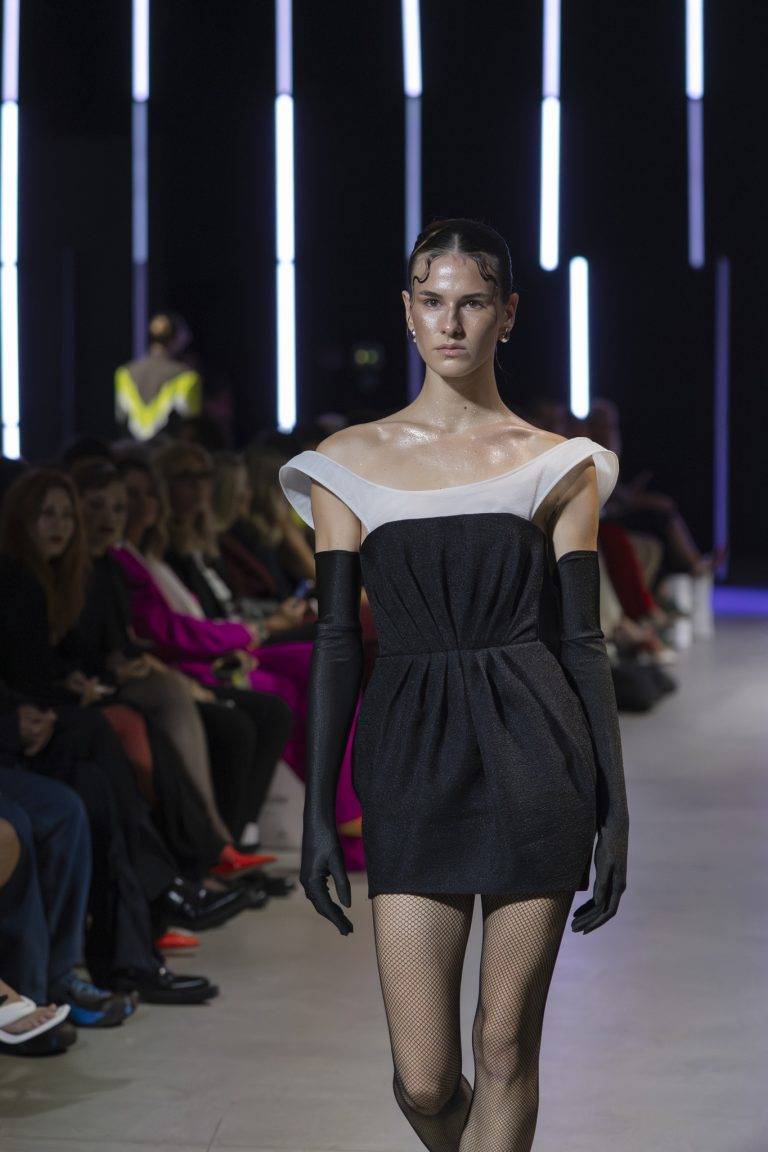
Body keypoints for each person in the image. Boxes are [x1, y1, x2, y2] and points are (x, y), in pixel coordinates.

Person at [278, 217, 629, 1152]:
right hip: (409, 763)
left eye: (474, 302)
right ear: (407, 311)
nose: (451, 322)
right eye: (433, 301)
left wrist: (617, 812)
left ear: (508, 315)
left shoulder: (559, 463)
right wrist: (320, 814)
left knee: (505, 1048)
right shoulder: (345, 464)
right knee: (426, 1078)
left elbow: (584, 645)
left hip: (538, 758)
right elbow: (335, 644)